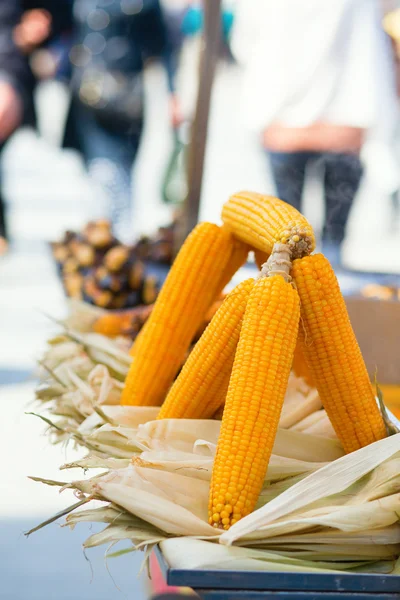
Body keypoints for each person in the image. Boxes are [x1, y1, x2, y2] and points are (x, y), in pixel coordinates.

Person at [232, 0, 399, 265]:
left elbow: (243, 43)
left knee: (286, 246)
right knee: (328, 244)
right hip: (344, 122)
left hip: (284, 125)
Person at [63, 0, 181, 244]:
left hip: (126, 100)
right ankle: (103, 243)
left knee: (120, 174)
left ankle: (118, 245)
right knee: (101, 174)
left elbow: (162, 45)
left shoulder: (145, 4)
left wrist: (173, 93)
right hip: (87, 98)